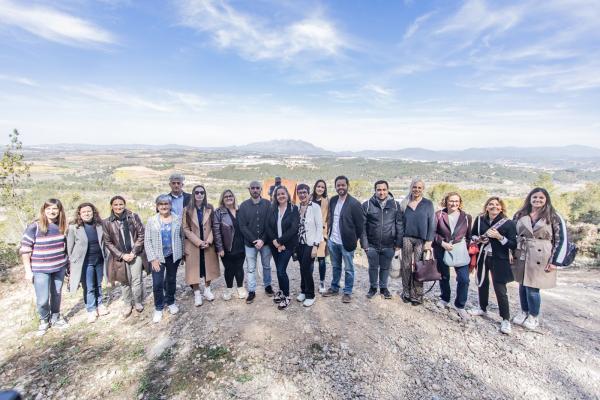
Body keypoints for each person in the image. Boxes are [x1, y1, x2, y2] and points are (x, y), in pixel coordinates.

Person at [511, 188, 569, 330]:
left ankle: (533, 315)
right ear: (529, 198)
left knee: (533, 287)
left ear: (546, 199)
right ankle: (524, 311)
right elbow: (512, 234)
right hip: (522, 252)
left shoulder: (554, 216)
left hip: (542, 254)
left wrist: (555, 261)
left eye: (541, 198)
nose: (537, 200)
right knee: (522, 284)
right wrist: (510, 252)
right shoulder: (520, 214)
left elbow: (561, 239)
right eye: (534, 197)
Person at [20, 199, 69, 335]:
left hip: (59, 267)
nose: (52, 212)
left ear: (59, 211)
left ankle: (55, 317)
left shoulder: (62, 226)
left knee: (57, 294)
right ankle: (44, 320)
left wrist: (67, 267)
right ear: (44, 210)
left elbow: (65, 247)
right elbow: (25, 250)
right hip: (40, 269)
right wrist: (27, 271)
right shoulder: (34, 227)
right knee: (42, 299)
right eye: (48, 209)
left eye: (55, 209)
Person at [470, 196, 517, 335]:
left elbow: (513, 244)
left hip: (499, 259)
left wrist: (499, 237)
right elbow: (473, 235)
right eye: (491, 204)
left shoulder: (509, 223)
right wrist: (479, 239)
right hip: (482, 257)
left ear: (501, 207)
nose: (494, 206)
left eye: (497, 204)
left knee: (500, 289)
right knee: (482, 283)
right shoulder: (480, 220)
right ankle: (482, 307)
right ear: (486, 206)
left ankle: (505, 319)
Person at [103, 195, 148, 318]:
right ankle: (128, 304)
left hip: (135, 253)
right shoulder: (107, 222)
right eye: (116, 204)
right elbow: (107, 242)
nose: (118, 207)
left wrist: (133, 252)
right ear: (111, 206)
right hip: (120, 256)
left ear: (124, 204)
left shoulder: (133, 217)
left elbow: (141, 234)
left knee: (136, 279)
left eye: (121, 204)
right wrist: (122, 255)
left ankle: (138, 301)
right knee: (124, 280)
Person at [322, 176, 365, 303]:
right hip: (333, 241)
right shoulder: (334, 200)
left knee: (349, 269)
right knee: (336, 266)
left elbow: (360, 225)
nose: (340, 187)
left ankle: (347, 291)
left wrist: (353, 239)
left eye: (343, 185)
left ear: (347, 186)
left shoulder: (354, 203)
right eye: (338, 185)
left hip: (347, 243)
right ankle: (334, 288)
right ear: (335, 187)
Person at [66, 202, 109, 323]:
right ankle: (91, 309)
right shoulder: (74, 227)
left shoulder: (100, 225)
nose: (86, 214)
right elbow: (70, 248)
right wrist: (72, 263)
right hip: (84, 262)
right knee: (89, 286)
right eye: (84, 212)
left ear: (93, 212)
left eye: (89, 211)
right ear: (79, 214)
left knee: (99, 284)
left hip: (99, 260)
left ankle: (100, 305)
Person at [360, 180, 403, 300]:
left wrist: (398, 243)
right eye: (379, 190)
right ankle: (373, 288)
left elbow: (399, 224)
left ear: (388, 190)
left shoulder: (395, 205)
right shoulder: (367, 205)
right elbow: (362, 227)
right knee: (373, 268)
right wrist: (365, 244)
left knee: (385, 268)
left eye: (384, 189)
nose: (381, 192)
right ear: (375, 190)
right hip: (372, 245)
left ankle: (384, 288)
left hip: (389, 245)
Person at [432, 192, 472, 319]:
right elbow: (432, 233)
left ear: (460, 202)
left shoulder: (466, 217)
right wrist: (442, 243)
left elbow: (469, 235)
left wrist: (465, 247)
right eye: (451, 201)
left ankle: (460, 305)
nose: (454, 203)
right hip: (442, 249)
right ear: (446, 201)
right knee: (444, 276)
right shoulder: (438, 215)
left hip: (459, 250)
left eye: (456, 201)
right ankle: (445, 298)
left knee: (464, 279)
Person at [145, 195, 184, 323]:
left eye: (166, 204)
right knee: (157, 283)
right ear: (157, 206)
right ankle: (159, 307)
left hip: (173, 256)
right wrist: (152, 258)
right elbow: (147, 241)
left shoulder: (177, 219)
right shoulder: (152, 221)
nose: (164, 206)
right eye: (161, 204)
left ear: (170, 205)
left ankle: (171, 301)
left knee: (171, 280)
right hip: (158, 257)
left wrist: (182, 254)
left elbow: (181, 237)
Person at [399, 178, 436, 305]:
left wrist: (429, 241)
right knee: (406, 266)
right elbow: (400, 223)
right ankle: (406, 292)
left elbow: (432, 223)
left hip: (422, 239)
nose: (417, 190)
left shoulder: (428, 204)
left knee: (419, 266)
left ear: (423, 189)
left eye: (419, 187)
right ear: (411, 188)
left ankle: (417, 295)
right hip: (406, 238)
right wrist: (398, 241)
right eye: (415, 187)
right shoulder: (404, 203)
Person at [183, 184, 220, 306]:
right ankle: (197, 293)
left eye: (202, 192)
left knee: (207, 267)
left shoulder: (210, 207)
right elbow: (186, 229)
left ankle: (207, 290)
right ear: (193, 194)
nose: (199, 194)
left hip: (208, 244)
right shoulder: (187, 210)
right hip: (194, 245)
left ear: (205, 195)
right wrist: (199, 242)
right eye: (197, 192)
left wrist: (208, 241)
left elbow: (215, 225)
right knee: (194, 270)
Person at [238, 180, 274, 304]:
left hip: (266, 243)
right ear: (249, 189)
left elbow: (270, 224)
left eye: (257, 188)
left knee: (267, 266)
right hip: (250, 244)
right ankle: (252, 291)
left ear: (261, 189)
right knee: (251, 268)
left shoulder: (268, 204)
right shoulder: (243, 206)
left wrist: (263, 240)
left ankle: (268, 286)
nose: (255, 190)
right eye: (252, 188)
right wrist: (254, 241)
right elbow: (242, 226)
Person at [266, 185, 300, 309]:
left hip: (288, 245)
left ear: (287, 195)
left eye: (283, 193)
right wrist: (275, 242)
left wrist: (280, 242)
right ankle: (281, 291)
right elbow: (268, 226)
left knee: (281, 271)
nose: (281, 196)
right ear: (275, 196)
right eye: (278, 194)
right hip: (274, 245)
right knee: (279, 271)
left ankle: (286, 296)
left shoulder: (293, 209)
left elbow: (293, 228)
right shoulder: (272, 209)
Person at [213, 190, 248, 301]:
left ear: (234, 197)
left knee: (239, 267)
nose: (228, 198)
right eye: (226, 196)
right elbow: (216, 231)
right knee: (228, 268)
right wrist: (219, 248)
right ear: (222, 199)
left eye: (230, 196)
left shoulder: (240, 210)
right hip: (226, 246)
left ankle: (240, 287)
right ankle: (229, 288)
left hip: (241, 245)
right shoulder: (219, 212)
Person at [295, 184, 323, 307]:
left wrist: (316, 246)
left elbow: (319, 228)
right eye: (300, 192)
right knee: (302, 268)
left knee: (306, 268)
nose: (302, 194)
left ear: (308, 192)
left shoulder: (315, 207)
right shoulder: (296, 208)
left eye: (304, 192)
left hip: (310, 243)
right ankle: (303, 290)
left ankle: (310, 295)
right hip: (299, 244)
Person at [311, 179, 329, 293]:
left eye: (322, 187)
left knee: (321, 259)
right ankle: (309, 281)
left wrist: (327, 232)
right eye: (318, 186)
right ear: (315, 187)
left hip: (322, 233)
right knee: (310, 259)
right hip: (310, 233)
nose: (320, 189)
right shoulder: (309, 199)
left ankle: (322, 282)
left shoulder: (326, 201)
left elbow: (329, 217)